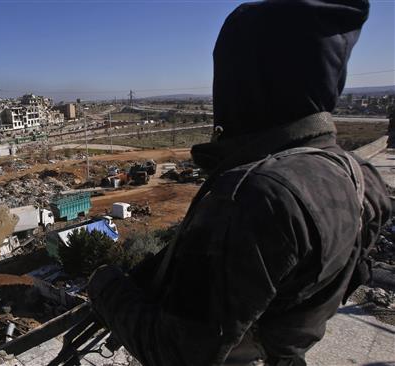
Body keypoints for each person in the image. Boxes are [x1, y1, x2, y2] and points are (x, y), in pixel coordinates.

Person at [86, 1, 392, 365]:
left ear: (250, 78)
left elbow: (176, 352)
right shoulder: (359, 175)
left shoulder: (256, 195)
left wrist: (105, 286)